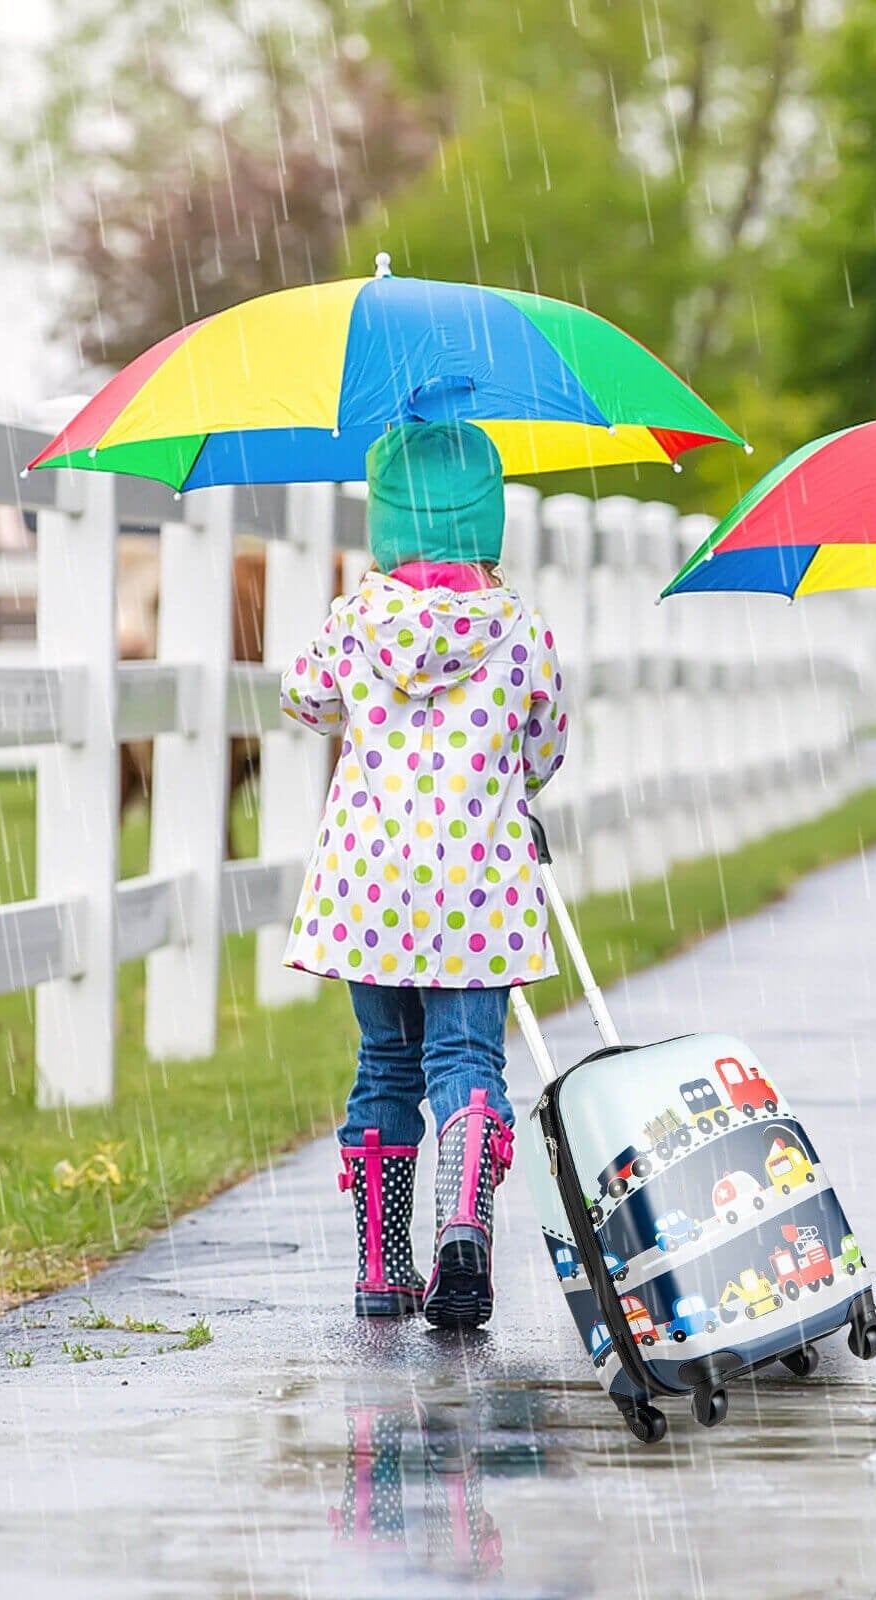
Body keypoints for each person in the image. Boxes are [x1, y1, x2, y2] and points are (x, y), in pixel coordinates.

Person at [279, 420, 568, 1329]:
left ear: (386, 524)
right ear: (489, 523)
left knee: (384, 1062)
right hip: (474, 887)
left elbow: (304, 697)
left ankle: (383, 1265)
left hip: (371, 889)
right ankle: (464, 1227)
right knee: (466, 1058)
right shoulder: (517, 628)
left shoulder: (356, 620)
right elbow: (546, 744)